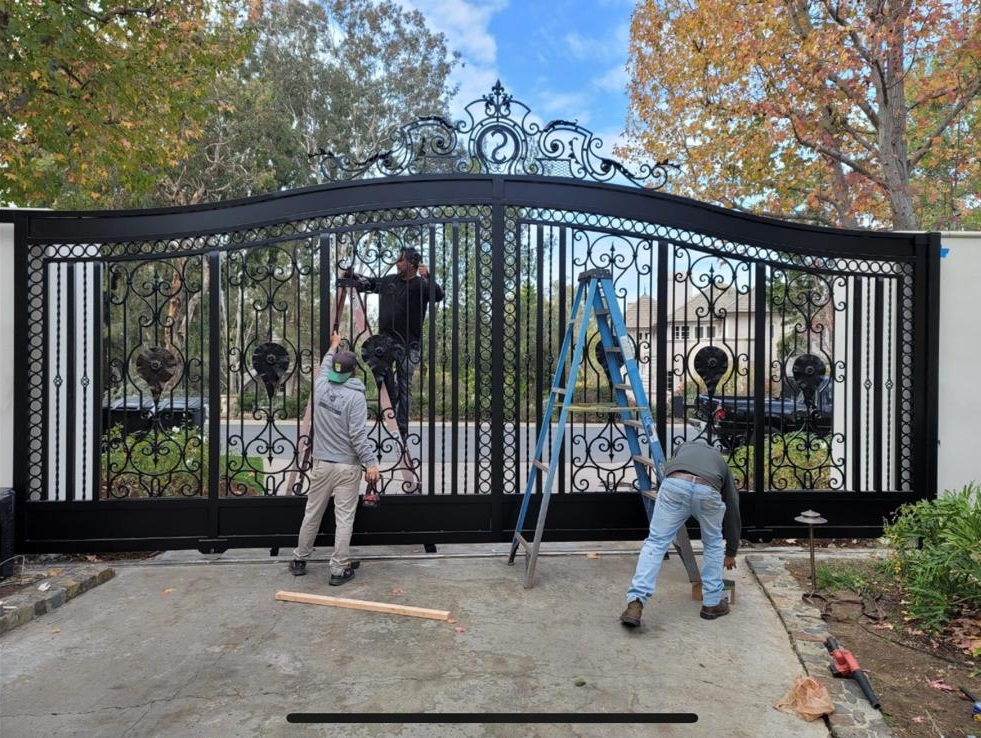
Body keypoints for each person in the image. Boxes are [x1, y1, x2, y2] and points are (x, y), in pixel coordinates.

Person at [289, 331, 379, 586]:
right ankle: (338, 569)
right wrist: (371, 463)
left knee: (312, 513)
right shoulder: (356, 398)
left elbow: (326, 363)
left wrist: (333, 346)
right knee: (344, 518)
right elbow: (358, 435)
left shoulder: (320, 385)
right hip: (347, 467)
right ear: (354, 372)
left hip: (321, 464)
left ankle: (299, 560)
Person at [620, 440, 741, 627]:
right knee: (713, 544)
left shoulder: (682, 449)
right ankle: (712, 603)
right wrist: (731, 551)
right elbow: (733, 507)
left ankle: (636, 602)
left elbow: (669, 475)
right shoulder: (720, 461)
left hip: (674, 484)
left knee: (656, 542)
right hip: (707, 488)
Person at [348, 247, 443, 440]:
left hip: (409, 345)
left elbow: (438, 295)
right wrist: (353, 276)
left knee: (405, 385)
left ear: (411, 263)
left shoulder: (421, 285)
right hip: (386, 344)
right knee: (384, 377)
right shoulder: (390, 280)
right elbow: (369, 283)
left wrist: (429, 277)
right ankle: (391, 401)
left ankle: (402, 427)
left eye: (400, 260)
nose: (397, 263)